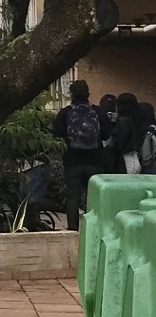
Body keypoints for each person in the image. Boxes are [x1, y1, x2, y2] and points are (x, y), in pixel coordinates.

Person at [53, 79, 109, 231]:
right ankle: (94, 229)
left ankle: (72, 229)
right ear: (88, 94)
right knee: (95, 198)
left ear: (71, 95)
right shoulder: (98, 112)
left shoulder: (65, 113)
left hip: (72, 162)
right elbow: (106, 135)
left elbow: (56, 135)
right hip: (95, 162)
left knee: (73, 198)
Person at [110, 90, 143, 174]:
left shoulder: (123, 121)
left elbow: (119, 143)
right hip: (135, 158)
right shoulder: (136, 120)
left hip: (125, 160)